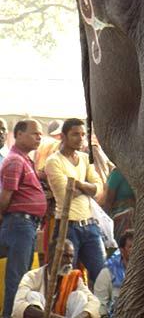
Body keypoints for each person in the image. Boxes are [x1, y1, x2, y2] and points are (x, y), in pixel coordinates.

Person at [44, 119, 104, 284]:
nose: (80, 138)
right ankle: (61, 310)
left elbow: (99, 189)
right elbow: (65, 194)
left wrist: (78, 184)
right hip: (67, 226)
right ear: (63, 136)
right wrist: (87, 188)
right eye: (75, 134)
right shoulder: (53, 161)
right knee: (64, 278)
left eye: (83, 134)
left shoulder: (85, 158)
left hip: (90, 226)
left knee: (102, 275)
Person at [0, 120, 47, 318]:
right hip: (19, 224)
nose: (39, 137)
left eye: (40, 134)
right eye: (34, 133)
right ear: (18, 134)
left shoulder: (24, 159)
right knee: (17, 279)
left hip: (26, 225)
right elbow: (5, 199)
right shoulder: (15, 161)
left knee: (23, 279)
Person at [12, 239, 99, 318]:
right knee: (33, 295)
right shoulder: (32, 276)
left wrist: (80, 316)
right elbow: (18, 306)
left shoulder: (73, 277)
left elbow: (94, 302)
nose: (69, 261)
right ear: (51, 256)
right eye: (65, 256)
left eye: (71, 256)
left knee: (80, 296)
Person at [93, 231, 133, 318]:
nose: (135, 250)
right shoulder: (108, 273)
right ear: (122, 250)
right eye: (131, 247)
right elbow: (100, 305)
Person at [102, 170, 134, 245]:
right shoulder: (117, 174)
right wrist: (105, 224)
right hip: (119, 214)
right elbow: (108, 202)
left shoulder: (140, 174)